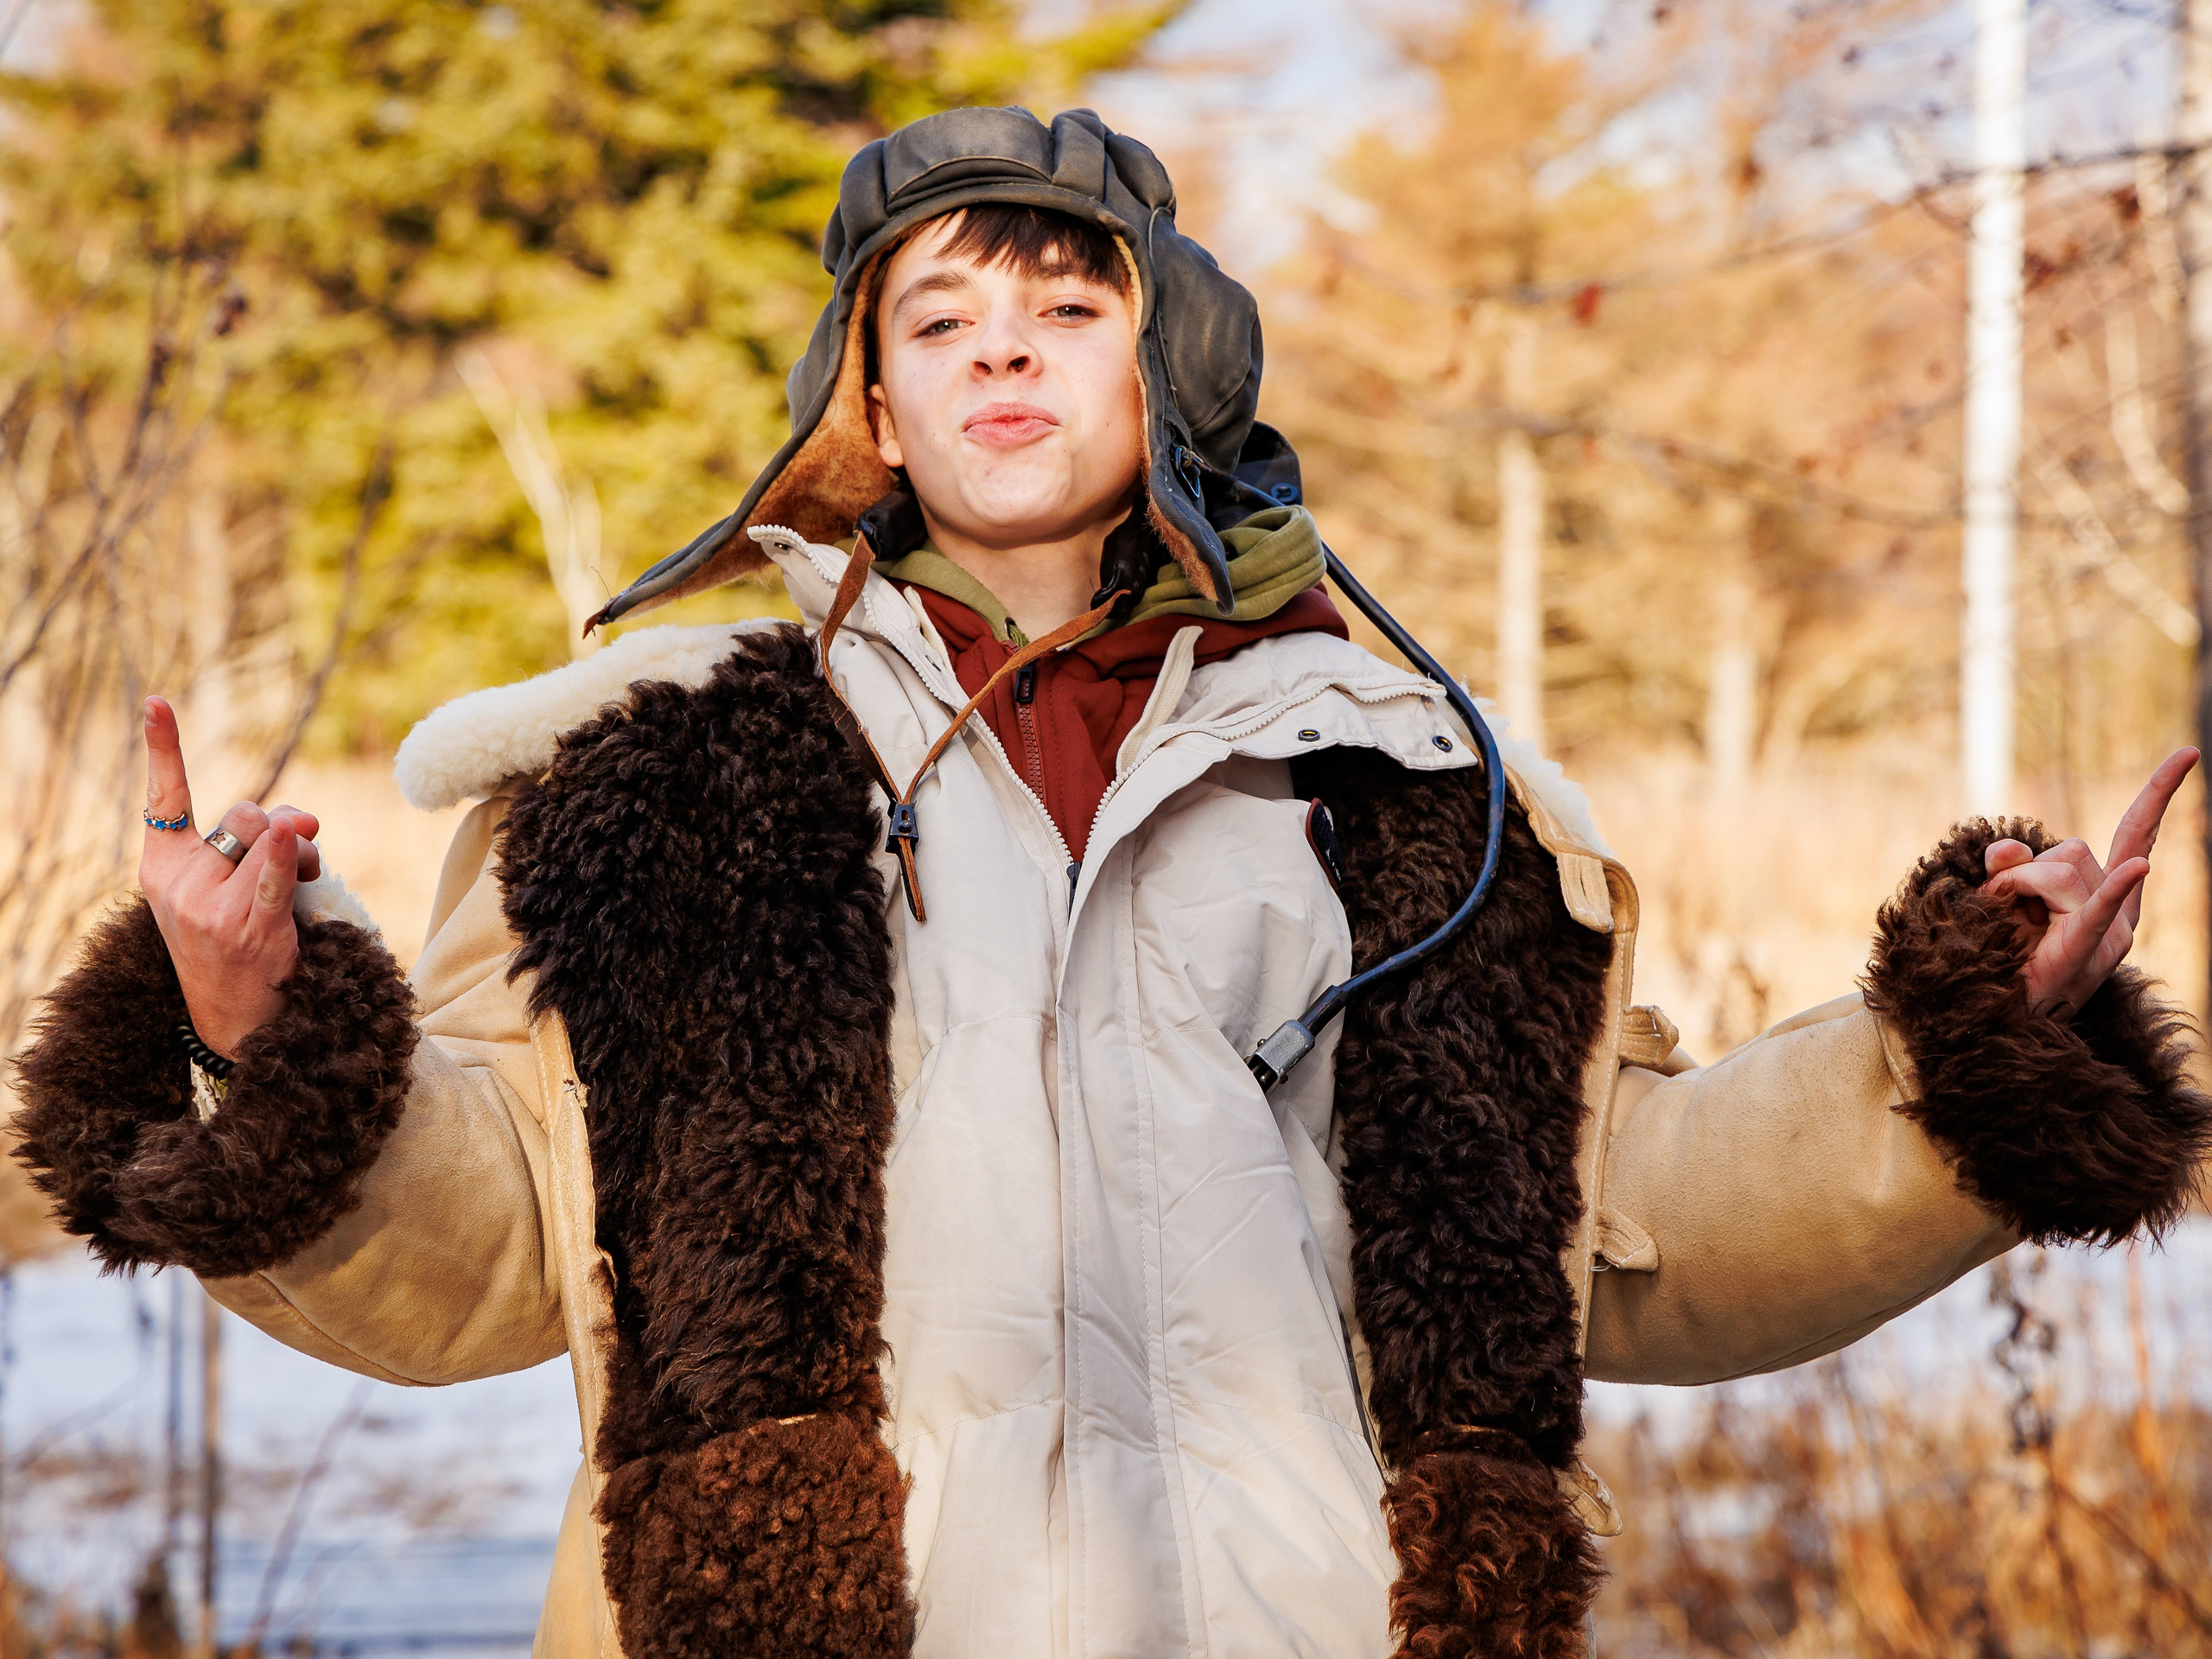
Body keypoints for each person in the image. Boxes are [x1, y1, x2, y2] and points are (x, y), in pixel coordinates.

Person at [15, 107, 2209, 1659]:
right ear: (865, 392)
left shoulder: (1396, 785)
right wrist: (248, 1030)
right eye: (940, 313)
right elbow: (490, 1243)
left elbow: (1614, 1222)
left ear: (1159, 373)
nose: (997, 347)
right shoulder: (665, 778)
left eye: (1062, 306)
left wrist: (1963, 1048)